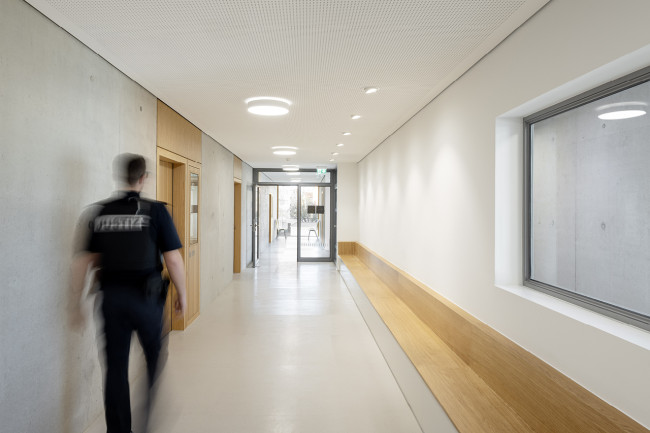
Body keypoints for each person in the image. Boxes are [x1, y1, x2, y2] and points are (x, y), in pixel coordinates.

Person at [72, 153, 187, 433]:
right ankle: (146, 418)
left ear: (120, 177)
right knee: (154, 357)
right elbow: (172, 259)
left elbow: (84, 261)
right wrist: (182, 293)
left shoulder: (98, 212)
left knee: (115, 368)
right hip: (146, 301)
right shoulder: (156, 212)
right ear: (143, 178)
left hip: (111, 300)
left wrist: (75, 302)